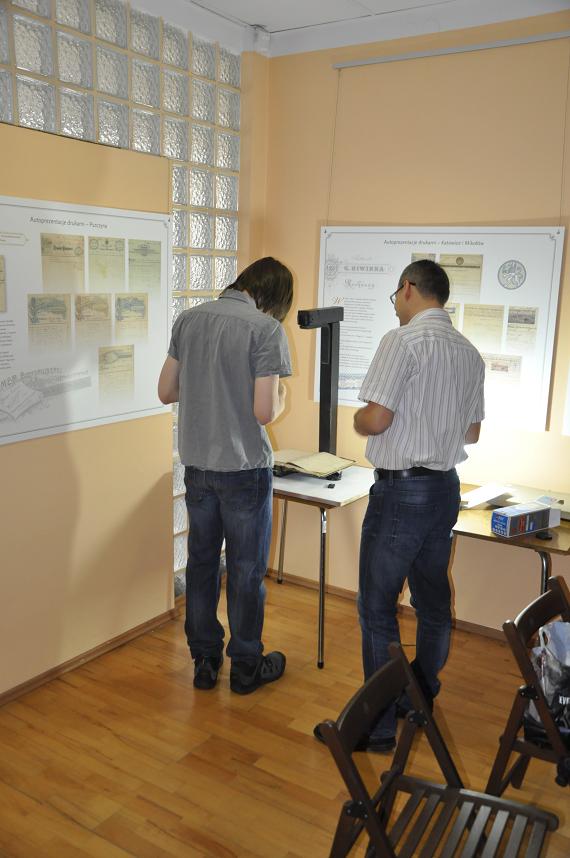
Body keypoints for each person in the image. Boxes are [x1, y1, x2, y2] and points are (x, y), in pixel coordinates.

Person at [316, 258, 485, 752]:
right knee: (432, 603)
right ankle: (419, 697)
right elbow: (471, 433)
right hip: (444, 489)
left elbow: (376, 419)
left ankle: (378, 726)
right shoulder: (470, 352)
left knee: (376, 608)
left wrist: (358, 421)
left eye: (396, 296)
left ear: (408, 288)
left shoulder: (402, 341)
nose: (395, 306)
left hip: (400, 493)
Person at [158, 257, 293, 695]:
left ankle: (204, 660)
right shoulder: (266, 329)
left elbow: (165, 391)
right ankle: (246, 667)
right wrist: (282, 395)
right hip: (244, 470)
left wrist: (208, 389)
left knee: (201, 564)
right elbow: (264, 412)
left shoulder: (189, 319)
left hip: (197, 468)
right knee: (245, 569)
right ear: (274, 299)